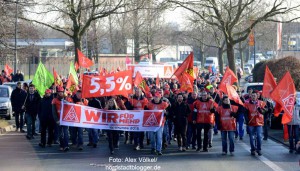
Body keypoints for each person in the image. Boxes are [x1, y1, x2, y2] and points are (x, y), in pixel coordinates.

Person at [52, 86, 69, 151]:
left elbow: (71, 107)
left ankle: (66, 145)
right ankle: (61, 145)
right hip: (59, 120)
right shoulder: (54, 100)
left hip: (65, 120)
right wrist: (56, 120)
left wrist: (67, 103)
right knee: (60, 134)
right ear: (57, 93)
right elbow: (54, 112)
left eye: (61, 92)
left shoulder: (66, 99)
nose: (60, 93)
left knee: (66, 133)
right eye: (59, 92)